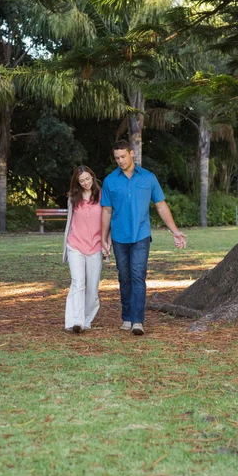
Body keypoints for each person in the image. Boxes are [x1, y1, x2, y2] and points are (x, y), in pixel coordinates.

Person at [101, 140, 186, 336]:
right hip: (119, 237)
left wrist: (174, 231)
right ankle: (127, 317)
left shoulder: (148, 178)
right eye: (117, 158)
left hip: (141, 235)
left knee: (138, 275)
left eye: (123, 156)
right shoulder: (110, 181)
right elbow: (106, 211)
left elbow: (161, 206)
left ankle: (137, 321)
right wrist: (103, 238)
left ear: (132, 154)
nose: (120, 161)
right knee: (124, 277)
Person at [63, 165, 109, 333]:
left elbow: (108, 219)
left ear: (93, 177)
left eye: (87, 179)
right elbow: (70, 221)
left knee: (92, 287)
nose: (85, 183)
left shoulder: (102, 195)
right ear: (77, 182)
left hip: (95, 246)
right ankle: (75, 321)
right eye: (81, 181)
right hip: (75, 245)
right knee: (77, 283)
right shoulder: (73, 197)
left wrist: (106, 242)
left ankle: (86, 319)